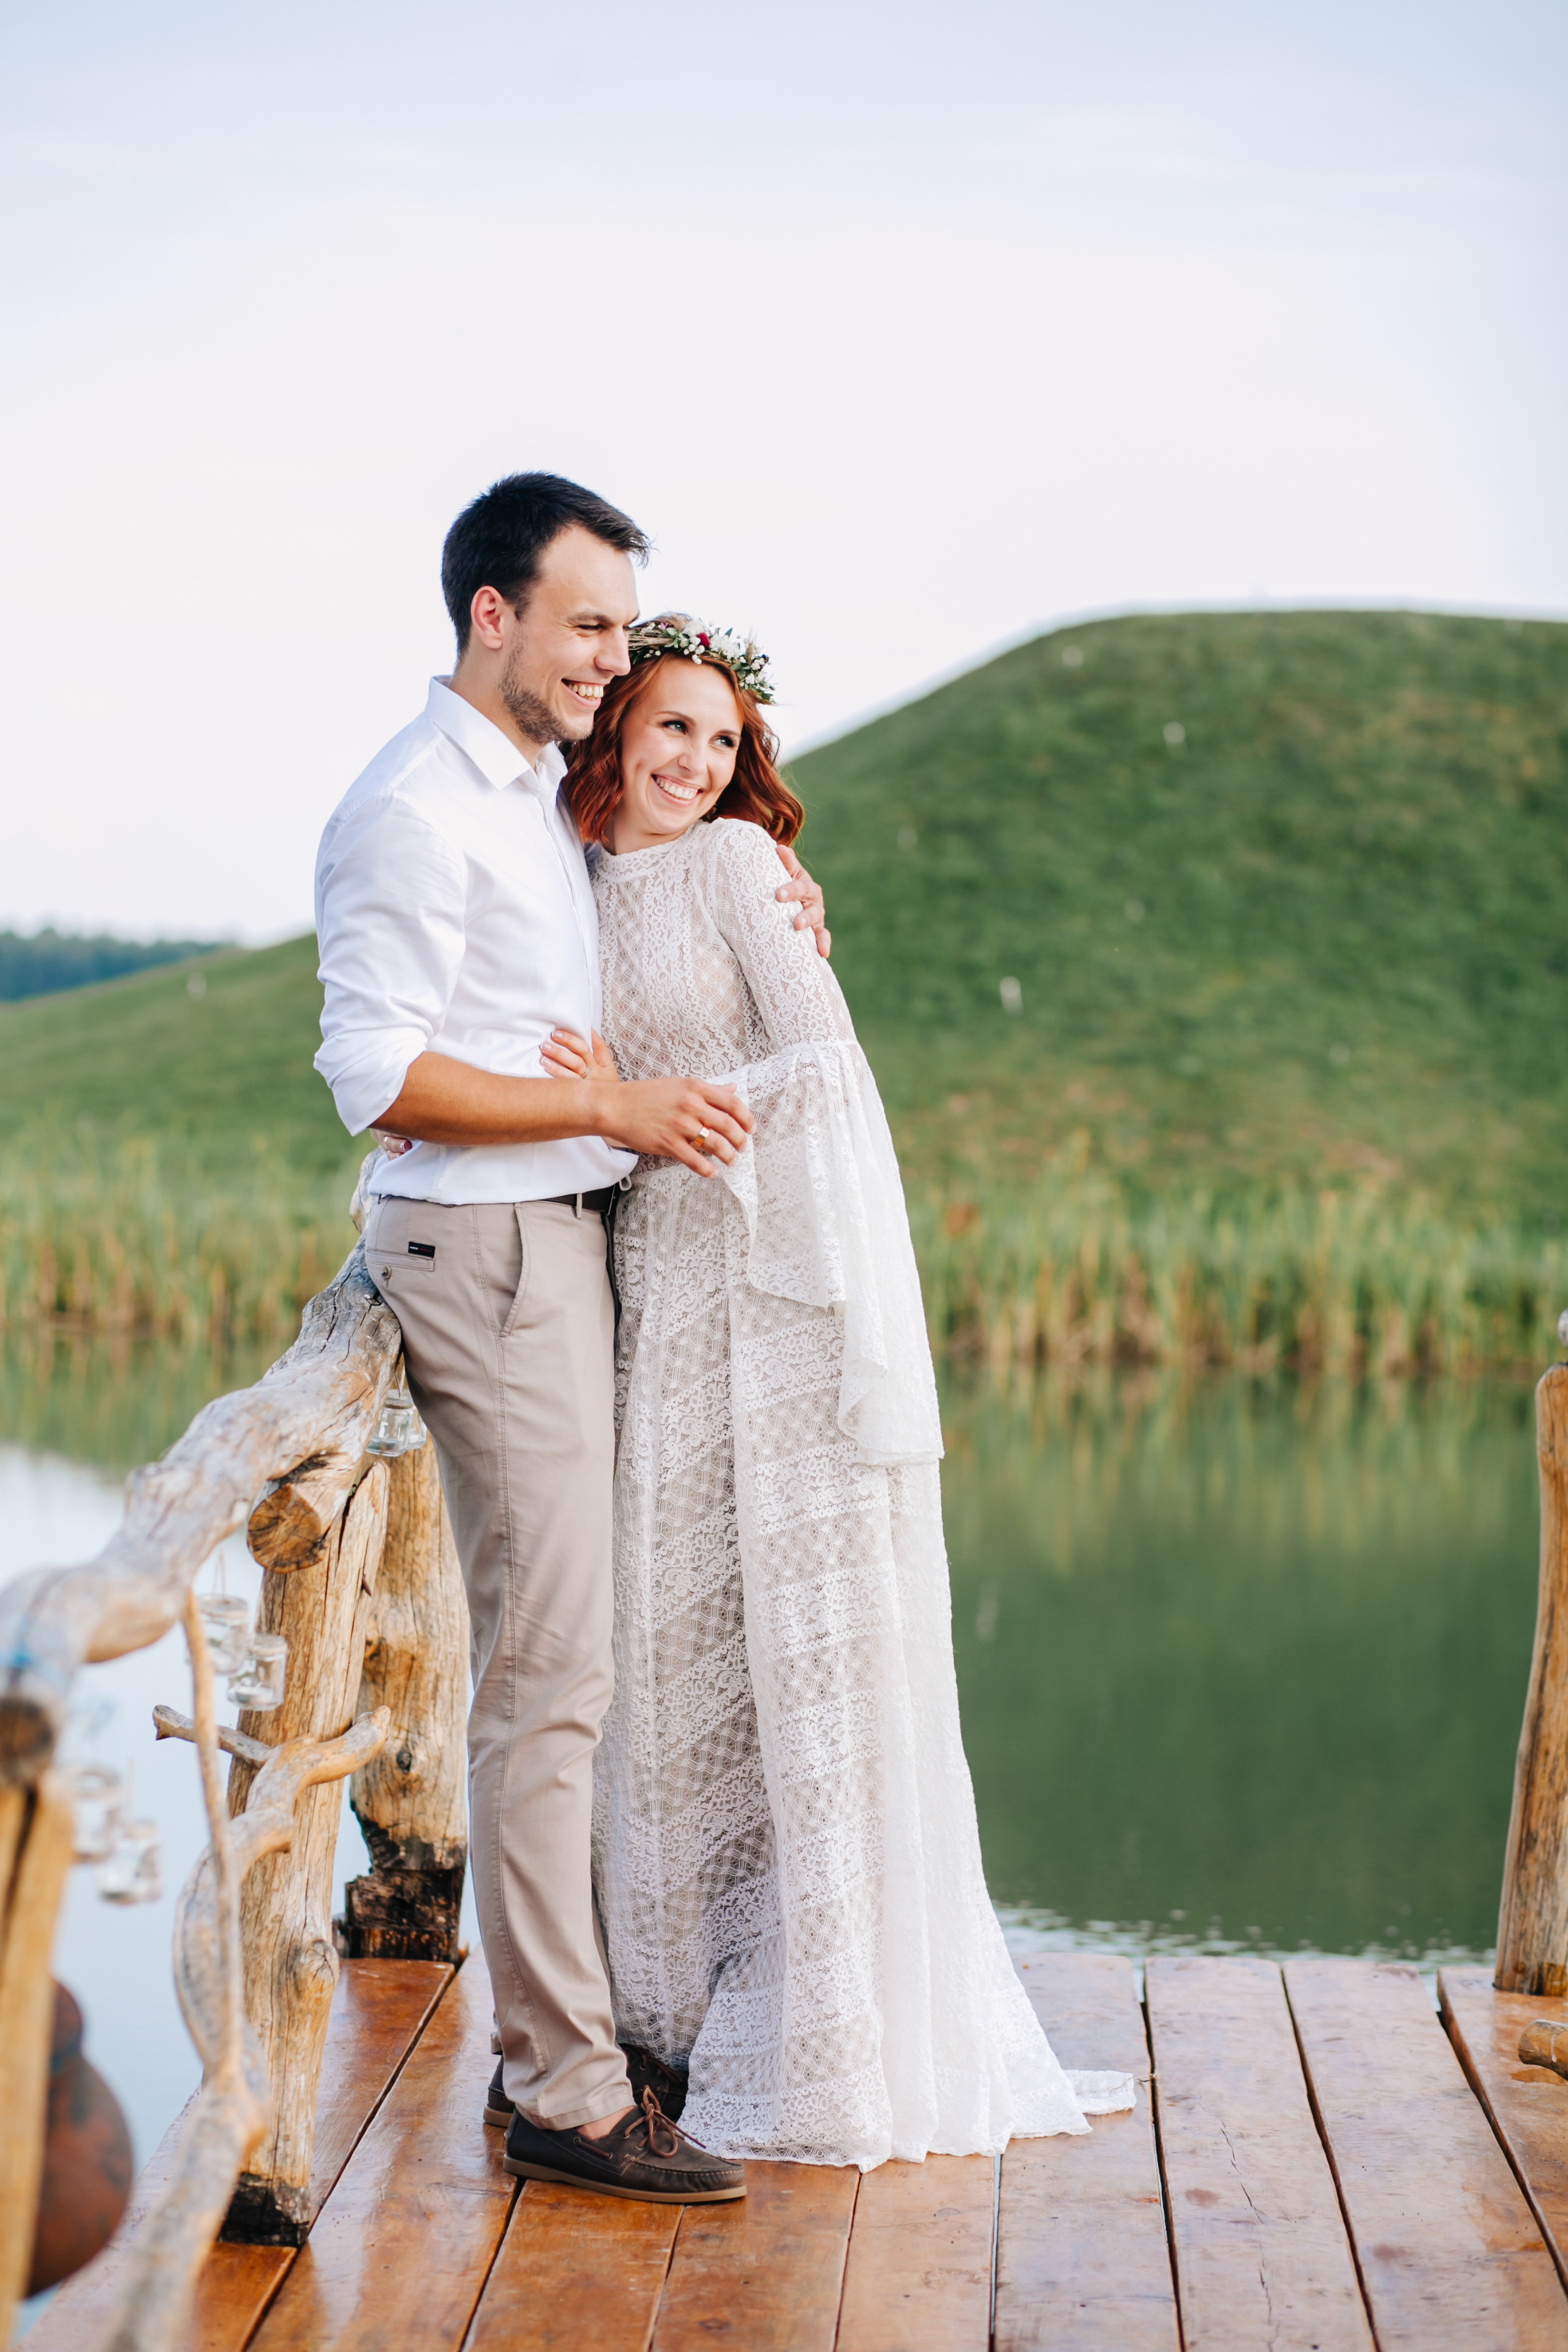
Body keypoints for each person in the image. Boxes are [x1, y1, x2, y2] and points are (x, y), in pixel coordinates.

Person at [540, 616, 1134, 2167]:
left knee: (785, 1641)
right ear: (613, 731)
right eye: (670, 730)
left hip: (769, 1296)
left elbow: (825, 1066)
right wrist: (600, 1105)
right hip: (653, 1289)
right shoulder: (564, 859)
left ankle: (812, 2016)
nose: (692, 764)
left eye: (721, 745)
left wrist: (656, 1101)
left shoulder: (740, 870)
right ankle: (650, 2011)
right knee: (662, 1645)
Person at [314, 477, 831, 2206]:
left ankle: (587, 2034)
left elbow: (644, 908)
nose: (615, 656)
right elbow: (374, 1076)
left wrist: (775, 894)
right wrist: (609, 1101)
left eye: (625, 627)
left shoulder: (533, 796)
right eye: (593, 623)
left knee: (578, 1671)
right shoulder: (414, 810)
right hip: (490, 1249)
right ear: (493, 618)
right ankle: (563, 2089)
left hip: (552, 1236)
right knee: (553, 1680)